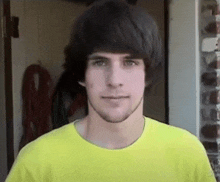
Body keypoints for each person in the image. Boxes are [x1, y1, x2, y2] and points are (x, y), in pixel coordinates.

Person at [6, 0, 216, 181]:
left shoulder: (187, 153)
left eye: (130, 63)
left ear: (147, 74)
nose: (114, 80)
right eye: (99, 63)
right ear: (81, 74)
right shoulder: (37, 162)